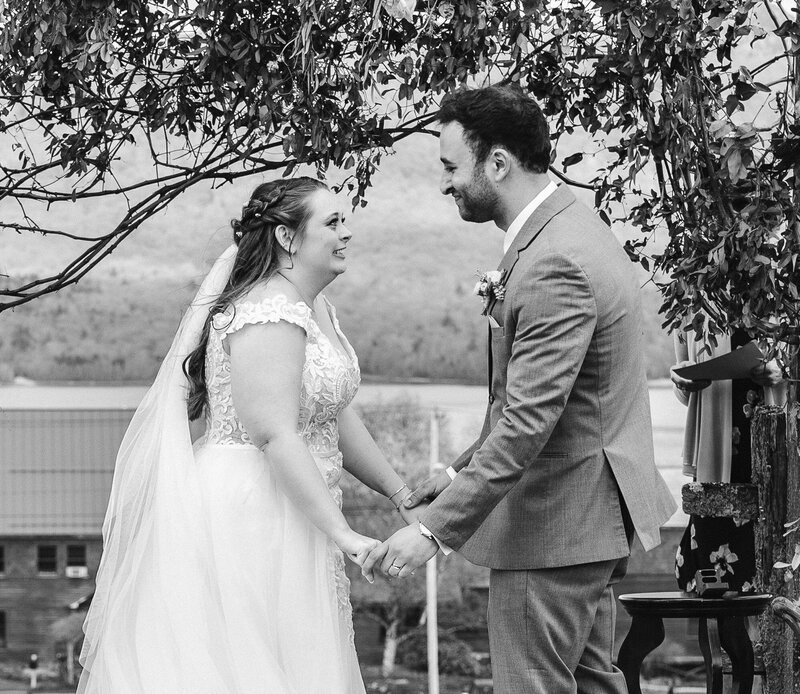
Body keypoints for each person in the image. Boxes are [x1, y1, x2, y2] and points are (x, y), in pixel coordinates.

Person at [362, 85, 677, 693]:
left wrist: (432, 531)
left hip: (554, 526)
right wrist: (457, 474)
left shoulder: (554, 261)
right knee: (590, 683)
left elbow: (529, 421)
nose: (446, 183)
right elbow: (531, 400)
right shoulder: (573, 227)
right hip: (587, 520)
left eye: (453, 167)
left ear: (497, 163)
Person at [78, 177, 422, 693]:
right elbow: (276, 435)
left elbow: (332, 413)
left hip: (299, 504)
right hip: (255, 511)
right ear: (287, 237)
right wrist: (343, 532)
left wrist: (401, 495)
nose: (347, 233)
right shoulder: (269, 312)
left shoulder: (314, 307)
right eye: (333, 222)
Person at [671, 329, 784, 593]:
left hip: (773, 449)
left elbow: (790, 369)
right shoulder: (692, 298)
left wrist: (781, 375)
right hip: (714, 455)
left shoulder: (785, 291)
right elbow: (686, 395)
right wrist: (681, 380)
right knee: (710, 579)